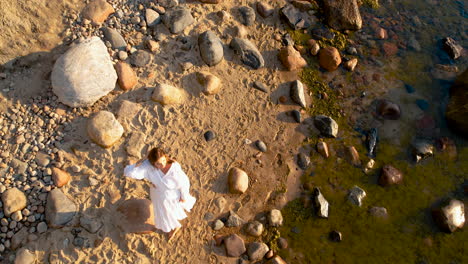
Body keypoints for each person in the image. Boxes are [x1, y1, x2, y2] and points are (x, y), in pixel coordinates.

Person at [123, 147, 196, 240]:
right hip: (157, 195)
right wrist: (142, 160)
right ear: (153, 163)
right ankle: (173, 226)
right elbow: (129, 172)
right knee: (164, 213)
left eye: (163, 160)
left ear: (165, 157)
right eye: (158, 163)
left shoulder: (174, 168)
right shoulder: (149, 167)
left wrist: (184, 195)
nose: (162, 164)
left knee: (171, 210)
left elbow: (184, 183)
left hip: (172, 195)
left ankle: (175, 226)